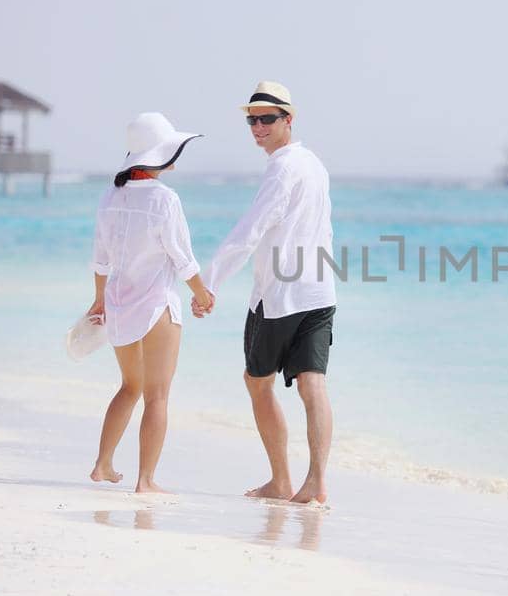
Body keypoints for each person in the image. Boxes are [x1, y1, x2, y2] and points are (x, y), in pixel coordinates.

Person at [197, 81, 337, 505]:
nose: (257, 127)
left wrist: (209, 282)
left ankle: (281, 480)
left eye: (267, 119)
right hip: (320, 290)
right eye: (251, 120)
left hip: (279, 298)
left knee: (258, 383)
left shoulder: (282, 167)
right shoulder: (315, 164)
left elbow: (251, 229)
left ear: (288, 120)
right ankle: (315, 483)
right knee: (313, 385)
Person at [86, 112, 215, 495]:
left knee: (129, 387)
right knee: (157, 395)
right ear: (163, 154)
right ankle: (145, 480)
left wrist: (98, 301)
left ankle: (102, 465)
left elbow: (100, 258)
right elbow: (182, 258)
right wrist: (203, 294)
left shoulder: (111, 196)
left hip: (119, 305)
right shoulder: (165, 199)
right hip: (157, 306)